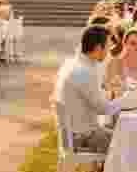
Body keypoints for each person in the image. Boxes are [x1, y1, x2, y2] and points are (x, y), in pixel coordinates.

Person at [52, 25, 126, 157]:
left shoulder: (74, 63)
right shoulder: (84, 71)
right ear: (98, 48)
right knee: (132, 143)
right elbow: (103, 109)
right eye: (108, 47)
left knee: (124, 133)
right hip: (82, 138)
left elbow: (93, 99)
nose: (110, 52)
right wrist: (129, 100)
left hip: (75, 133)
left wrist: (112, 94)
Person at [103, 27, 137, 95]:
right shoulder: (113, 62)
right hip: (120, 102)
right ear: (125, 44)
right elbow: (108, 89)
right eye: (132, 43)